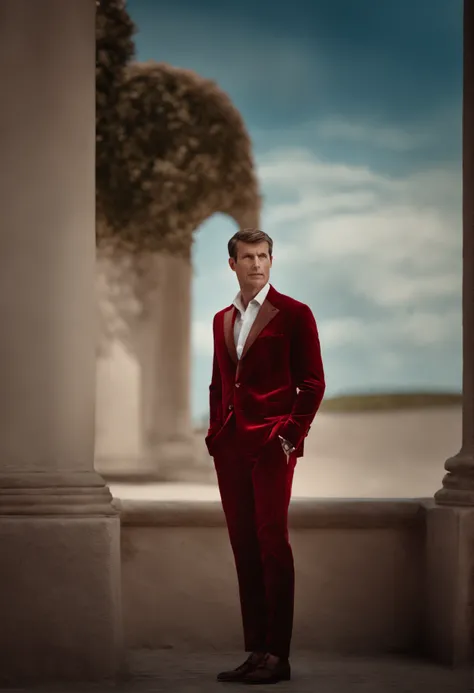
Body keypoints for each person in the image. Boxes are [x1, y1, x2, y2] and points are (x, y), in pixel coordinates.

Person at [205, 227, 325, 685]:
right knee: (244, 547)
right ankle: (256, 650)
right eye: (247, 257)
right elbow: (220, 383)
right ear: (232, 264)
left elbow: (313, 383)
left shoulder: (294, 314)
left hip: (273, 446)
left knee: (273, 545)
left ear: (272, 260)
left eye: (263, 256)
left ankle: (279, 655)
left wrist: (289, 438)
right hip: (232, 447)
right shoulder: (221, 319)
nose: (256, 264)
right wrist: (216, 434)